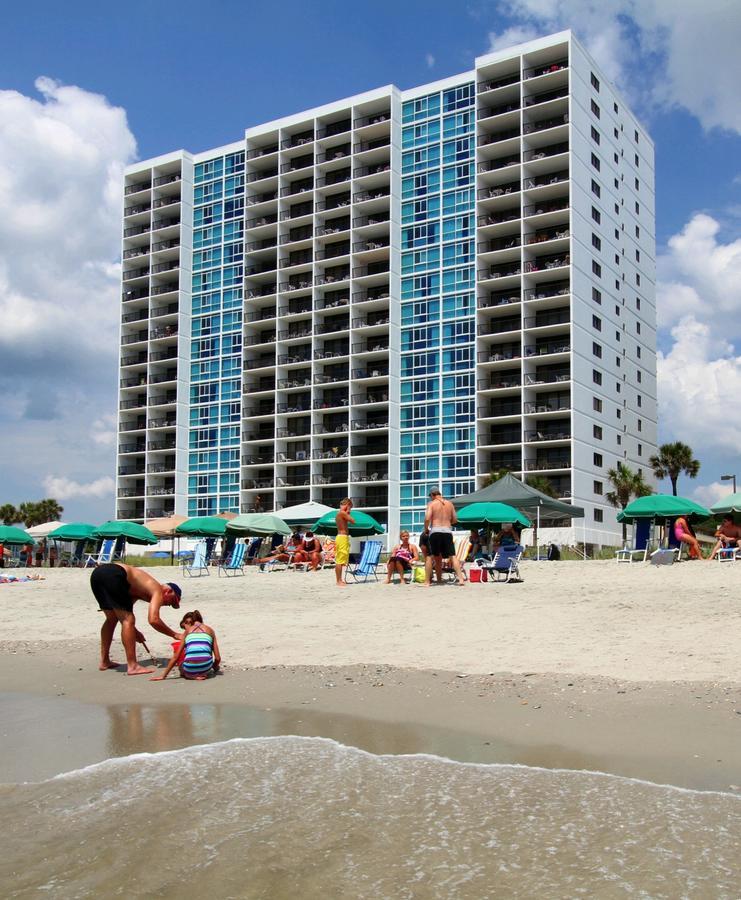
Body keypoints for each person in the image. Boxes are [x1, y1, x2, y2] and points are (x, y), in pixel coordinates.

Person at [90, 562, 182, 676]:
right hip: (114, 574)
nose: (168, 604)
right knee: (128, 620)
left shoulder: (137, 590)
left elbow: (122, 616)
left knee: (112, 618)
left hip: (98, 574)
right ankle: (132, 666)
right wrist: (175, 635)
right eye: (172, 601)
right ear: (168, 591)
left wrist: (134, 631)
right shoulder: (157, 589)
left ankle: (105, 661)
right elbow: (153, 620)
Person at [151, 610, 221, 682]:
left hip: (190, 668)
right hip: (206, 667)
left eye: (184, 627)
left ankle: (191, 675)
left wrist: (163, 675)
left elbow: (176, 657)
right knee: (207, 656)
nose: (185, 629)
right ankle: (202, 672)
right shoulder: (210, 630)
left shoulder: (187, 632)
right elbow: (218, 658)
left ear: (188, 622)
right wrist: (214, 667)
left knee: (181, 666)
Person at [424, 489, 465, 586]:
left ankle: (427, 582)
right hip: (447, 531)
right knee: (453, 556)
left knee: (430, 556)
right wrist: (446, 521)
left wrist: (426, 529)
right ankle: (461, 580)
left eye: (430, 496)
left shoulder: (431, 504)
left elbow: (427, 518)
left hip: (435, 531)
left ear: (433, 495)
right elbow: (455, 520)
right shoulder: (450, 504)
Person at [335, 498, 354, 586]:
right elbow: (353, 521)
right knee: (340, 560)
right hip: (342, 537)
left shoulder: (340, 514)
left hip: (342, 537)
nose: (350, 509)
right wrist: (348, 510)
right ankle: (338, 581)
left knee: (341, 560)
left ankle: (339, 580)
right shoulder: (342, 513)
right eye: (350, 507)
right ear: (348, 505)